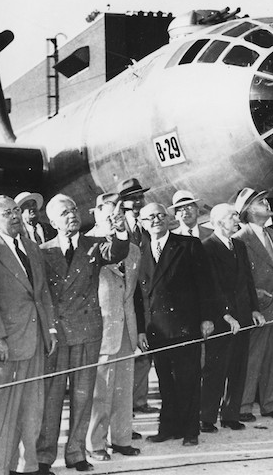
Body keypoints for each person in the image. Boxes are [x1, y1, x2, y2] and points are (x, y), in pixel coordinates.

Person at [37, 194, 129, 472]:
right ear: (52, 221)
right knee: (52, 398)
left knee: (82, 394)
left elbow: (117, 252)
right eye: (64, 212)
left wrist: (120, 229)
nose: (72, 215)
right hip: (57, 335)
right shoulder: (42, 251)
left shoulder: (94, 245)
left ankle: (76, 453)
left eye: (74, 210)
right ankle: (44, 456)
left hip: (87, 332)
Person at [0, 195, 57, 475]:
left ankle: (26, 467)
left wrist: (50, 329)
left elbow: (42, 293)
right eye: (6, 213)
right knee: (2, 414)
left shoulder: (32, 248)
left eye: (16, 210)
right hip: (6, 346)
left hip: (35, 341)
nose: (15, 215)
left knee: (32, 411)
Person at [135, 203, 219, 446]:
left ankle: (190, 430)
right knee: (164, 380)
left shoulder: (187, 245)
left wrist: (207, 318)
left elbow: (206, 284)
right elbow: (137, 298)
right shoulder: (139, 251)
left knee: (188, 378)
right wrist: (141, 329)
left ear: (169, 218)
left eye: (160, 215)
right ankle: (169, 428)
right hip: (156, 329)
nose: (156, 220)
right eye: (150, 217)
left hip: (185, 324)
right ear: (142, 222)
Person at [85, 196, 141, 459]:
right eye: (108, 217)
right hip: (101, 331)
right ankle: (95, 443)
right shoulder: (85, 245)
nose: (113, 222)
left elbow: (134, 294)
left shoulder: (134, 249)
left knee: (123, 390)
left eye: (117, 218)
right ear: (95, 214)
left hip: (126, 331)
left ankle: (120, 439)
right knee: (100, 393)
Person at [200, 203, 264, 433]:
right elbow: (211, 286)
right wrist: (226, 315)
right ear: (218, 222)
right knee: (216, 369)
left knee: (238, 368)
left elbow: (248, 280)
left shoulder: (239, 245)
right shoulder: (207, 247)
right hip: (222, 319)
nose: (237, 220)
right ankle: (206, 418)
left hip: (243, 316)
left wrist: (255, 309)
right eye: (232, 217)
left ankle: (230, 414)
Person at [233, 188, 273, 421]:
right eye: (260, 202)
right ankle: (243, 406)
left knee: (270, 356)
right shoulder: (240, 238)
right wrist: (254, 295)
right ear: (247, 210)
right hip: (258, 305)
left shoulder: (271, 234)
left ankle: (268, 403)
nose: (267, 204)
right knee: (252, 356)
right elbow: (237, 277)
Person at [114, 176, 153, 415]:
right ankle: (125, 404)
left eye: (140, 197)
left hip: (147, 295)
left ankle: (139, 399)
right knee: (129, 350)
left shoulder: (146, 226)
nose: (138, 203)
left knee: (145, 348)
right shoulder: (121, 229)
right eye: (132, 199)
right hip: (128, 294)